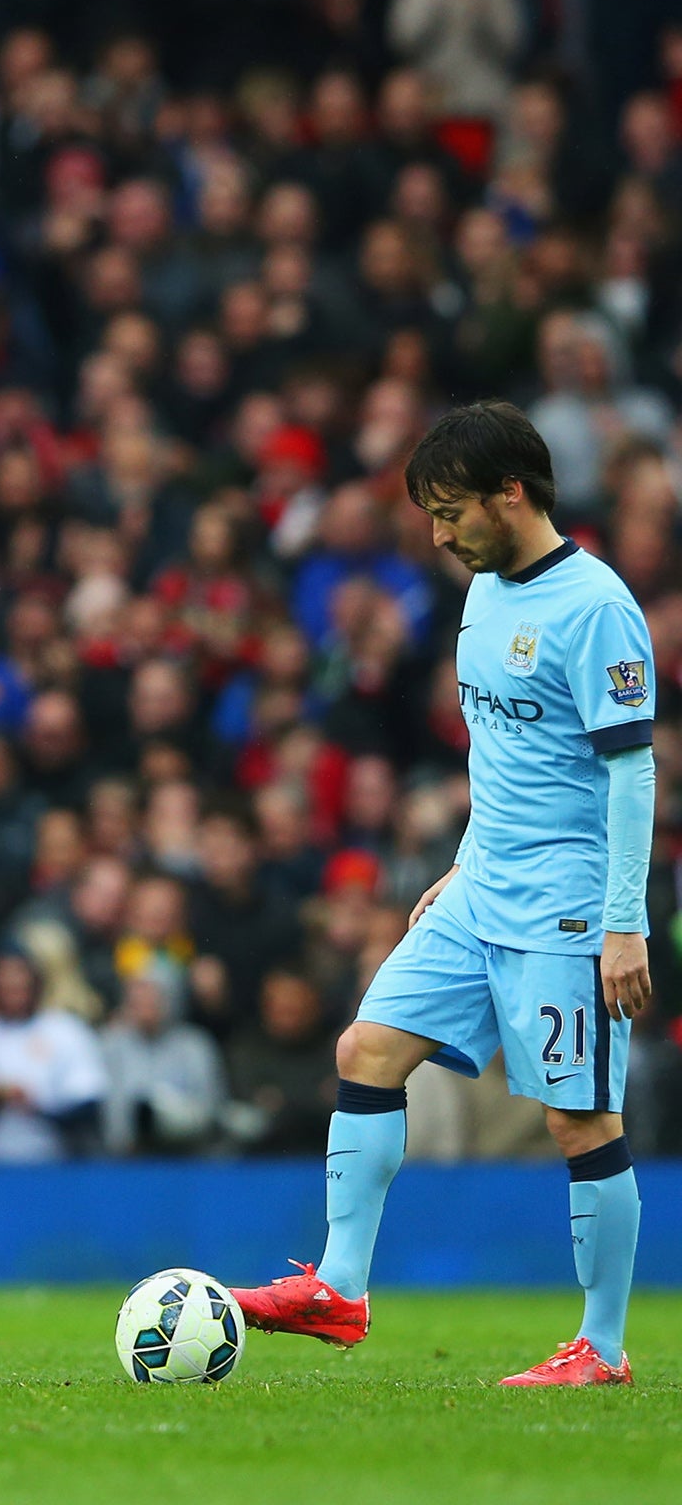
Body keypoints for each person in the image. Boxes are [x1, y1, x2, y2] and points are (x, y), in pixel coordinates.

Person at [231, 402, 657, 1386]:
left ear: (510, 493)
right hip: (482, 882)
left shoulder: (592, 608)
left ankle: (599, 1348)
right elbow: (502, 755)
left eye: (449, 510)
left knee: (577, 1119)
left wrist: (622, 922)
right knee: (365, 1049)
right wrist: (464, 862)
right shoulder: (482, 593)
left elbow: (630, 773)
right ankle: (338, 1288)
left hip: (567, 896)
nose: (436, 533)